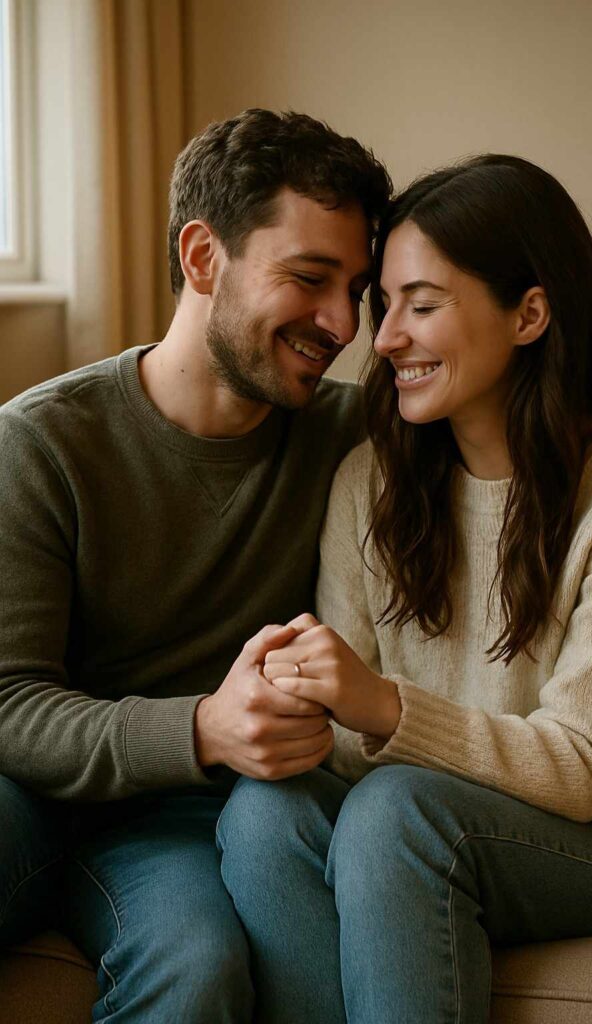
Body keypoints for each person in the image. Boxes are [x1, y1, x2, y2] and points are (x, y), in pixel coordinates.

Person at [217, 155, 592, 1023]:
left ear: (528, 314)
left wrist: (383, 706)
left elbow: (584, 766)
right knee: (263, 813)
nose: (385, 338)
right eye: (384, 304)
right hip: (417, 811)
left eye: (422, 305)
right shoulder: (370, 481)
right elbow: (346, 747)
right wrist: (300, 698)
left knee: (397, 814)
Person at [0, 108, 391, 1021]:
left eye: (356, 289)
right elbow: (8, 701)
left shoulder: (356, 438)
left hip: (174, 822)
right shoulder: (41, 442)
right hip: (25, 795)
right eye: (309, 279)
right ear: (203, 256)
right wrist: (203, 727)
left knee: (198, 968)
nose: (343, 323)